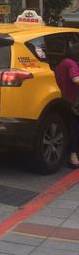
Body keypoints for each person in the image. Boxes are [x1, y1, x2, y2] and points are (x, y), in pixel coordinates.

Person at [54, 41, 79, 169]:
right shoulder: (72, 64)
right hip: (72, 101)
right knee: (75, 129)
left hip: (62, 100)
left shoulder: (62, 63)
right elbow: (75, 79)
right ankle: (73, 155)